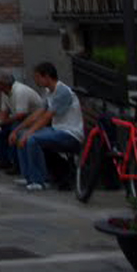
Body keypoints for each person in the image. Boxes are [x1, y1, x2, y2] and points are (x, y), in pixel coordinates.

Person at [8, 61, 83, 191]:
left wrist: (29, 133)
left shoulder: (62, 92)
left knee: (32, 139)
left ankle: (40, 180)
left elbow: (47, 116)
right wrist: (18, 130)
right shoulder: (49, 92)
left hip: (70, 133)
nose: (36, 81)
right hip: (57, 130)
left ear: (47, 76)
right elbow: (38, 113)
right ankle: (29, 177)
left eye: (38, 77)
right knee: (21, 135)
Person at [0, 71, 43, 172]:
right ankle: (3, 159)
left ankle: (17, 164)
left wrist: (2, 122)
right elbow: (4, 110)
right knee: (0, 130)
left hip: (33, 119)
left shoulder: (20, 91)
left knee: (14, 130)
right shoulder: (5, 92)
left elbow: (21, 114)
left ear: (2, 84)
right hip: (21, 118)